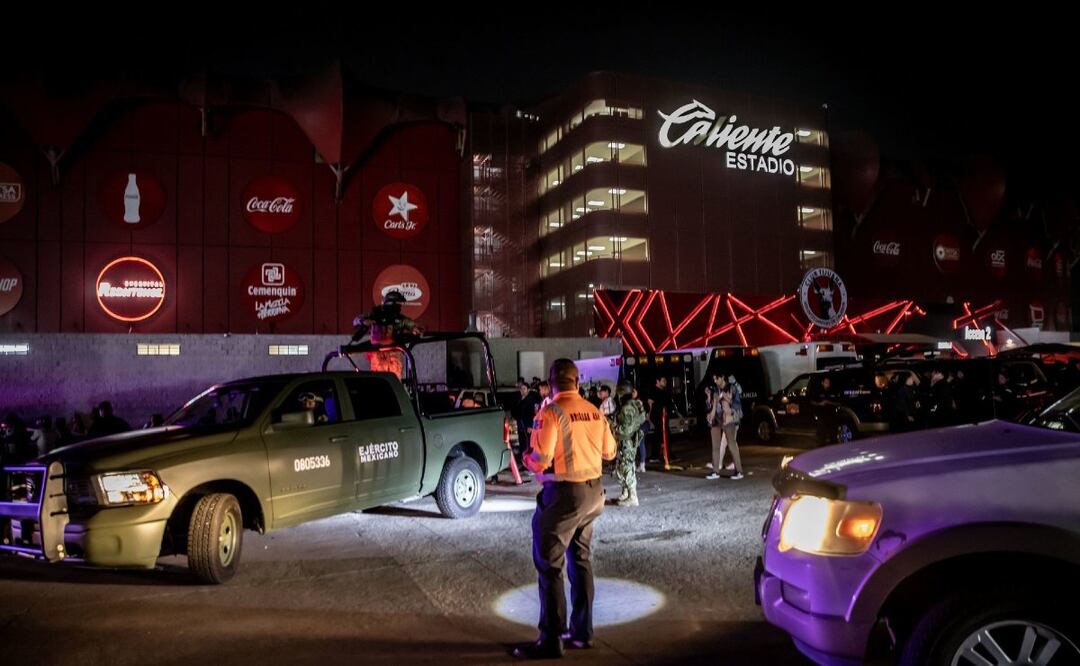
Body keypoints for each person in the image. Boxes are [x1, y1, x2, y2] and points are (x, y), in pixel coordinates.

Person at [513, 359, 617, 659]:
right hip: (593, 493)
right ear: (577, 381)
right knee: (581, 560)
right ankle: (582, 632)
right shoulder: (595, 411)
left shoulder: (551, 412)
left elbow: (541, 458)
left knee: (549, 564)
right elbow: (610, 451)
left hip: (563, 495)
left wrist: (527, 459)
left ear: (552, 381)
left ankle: (551, 638)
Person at [611, 382, 646, 507]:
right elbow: (642, 418)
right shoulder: (634, 404)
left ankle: (633, 496)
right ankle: (626, 493)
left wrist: (613, 426)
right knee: (622, 467)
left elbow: (626, 429)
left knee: (626, 467)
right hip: (628, 441)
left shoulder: (627, 408)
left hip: (626, 441)